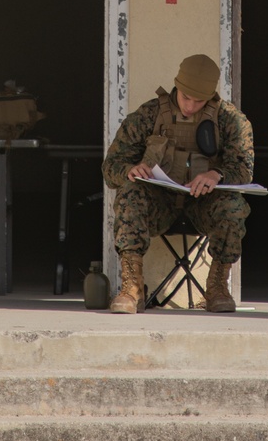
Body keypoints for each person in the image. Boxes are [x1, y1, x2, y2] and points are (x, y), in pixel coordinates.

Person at [102, 53, 255, 314]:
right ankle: (132, 287)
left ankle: (217, 285)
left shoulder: (231, 120)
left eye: (199, 101)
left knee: (233, 206)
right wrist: (130, 169)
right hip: (159, 207)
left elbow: (244, 168)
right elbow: (110, 167)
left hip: (202, 209)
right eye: (186, 97)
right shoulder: (148, 115)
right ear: (177, 86)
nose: (190, 107)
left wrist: (217, 174)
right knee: (130, 194)